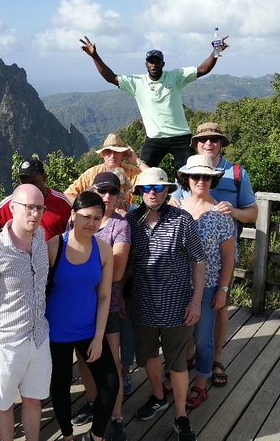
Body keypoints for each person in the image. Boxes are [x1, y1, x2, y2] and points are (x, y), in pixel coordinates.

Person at [171, 122, 258, 386]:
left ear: (221, 144)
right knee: (185, 326)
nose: (209, 143)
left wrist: (232, 212)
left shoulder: (236, 173)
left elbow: (252, 213)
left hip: (217, 265)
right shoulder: (182, 196)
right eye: (203, 140)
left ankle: (213, 362)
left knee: (216, 314)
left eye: (214, 140)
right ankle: (185, 365)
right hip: (182, 278)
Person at [126, 168, 205, 441]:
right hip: (142, 304)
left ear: (167, 190)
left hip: (177, 306)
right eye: (147, 188)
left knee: (178, 363)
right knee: (147, 356)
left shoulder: (182, 220)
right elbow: (124, 265)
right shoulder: (131, 222)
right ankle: (158, 396)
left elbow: (199, 260)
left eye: (158, 188)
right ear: (139, 191)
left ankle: (181, 415)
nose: (152, 193)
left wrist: (196, 302)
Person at [0, 184, 52, 441]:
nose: (35, 213)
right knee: (4, 403)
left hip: (39, 336)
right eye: (29, 207)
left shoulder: (40, 238)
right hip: (6, 342)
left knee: (33, 399)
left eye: (39, 208)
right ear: (12, 208)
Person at [80, 36, 229, 169]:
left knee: (191, 173)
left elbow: (202, 69)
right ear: (146, 64)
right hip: (154, 138)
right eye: (150, 62)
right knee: (145, 176)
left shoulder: (176, 76)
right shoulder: (137, 83)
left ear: (163, 64)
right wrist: (95, 56)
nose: (153, 65)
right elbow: (111, 78)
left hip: (181, 136)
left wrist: (216, 51)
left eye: (157, 62)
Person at [46, 191, 117, 441]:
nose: (91, 223)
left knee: (110, 384)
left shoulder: (104, 250)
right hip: (56, 333)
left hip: (89, 330)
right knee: (60, 386)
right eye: (86, 216)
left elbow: (105, 296)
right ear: (73, 215)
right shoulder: (54, 246)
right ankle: (67, 435)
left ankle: (95, 436)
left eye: (97, 218)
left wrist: (99, 337)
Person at [69, 173, 131, 441]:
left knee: (112, 365)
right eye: (102, 191)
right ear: (93, 190)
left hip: (109, 304)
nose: (106, 197)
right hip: (79, 305)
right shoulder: (78, 219)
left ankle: (116, 416)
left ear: (119, 196)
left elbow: (117, 272)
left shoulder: (121, 226)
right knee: (84, 359)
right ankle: (96, 403)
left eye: (112, 192)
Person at [176, 155, 235, 409]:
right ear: (187, 179)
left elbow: (228, 257)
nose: (201, 181)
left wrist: (223, 289)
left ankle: (200, 384)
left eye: (206, 177)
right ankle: (177, 379)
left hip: (209, 285)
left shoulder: (221, 214)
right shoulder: (175, 208)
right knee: (177, 337)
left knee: (203, 338)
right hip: (177, 285)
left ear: (213, 180)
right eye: (196, 176)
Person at [0, 157, 71, 240]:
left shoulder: (61, 202)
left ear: (44, 177)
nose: (29, 187)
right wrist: (1, 242)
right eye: (24, 183)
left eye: (33, 182)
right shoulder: (14, 201)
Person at [64, 133, 148, 207]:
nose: (112, 155)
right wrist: (88, 208)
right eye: (108, 151)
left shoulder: (132, 172)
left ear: (123, 154)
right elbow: (68, 194)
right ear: (103, 154)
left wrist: (136, 160)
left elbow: (155, 178)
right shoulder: (92, 173)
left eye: (116, 151)